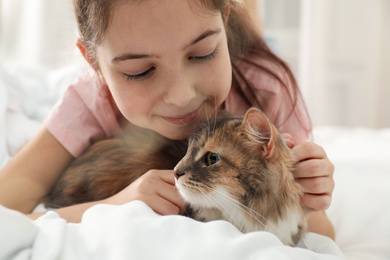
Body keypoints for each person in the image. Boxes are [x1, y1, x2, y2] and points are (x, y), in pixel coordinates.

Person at [0, 0, 335, 239]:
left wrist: (306, 196)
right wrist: (113, 205)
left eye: (202, 53)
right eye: (140, 71)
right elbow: (7, 213)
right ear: (94, 64)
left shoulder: (267, 90)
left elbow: (320, 233)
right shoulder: (90, 100)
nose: (181, 96)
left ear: (223, 20)